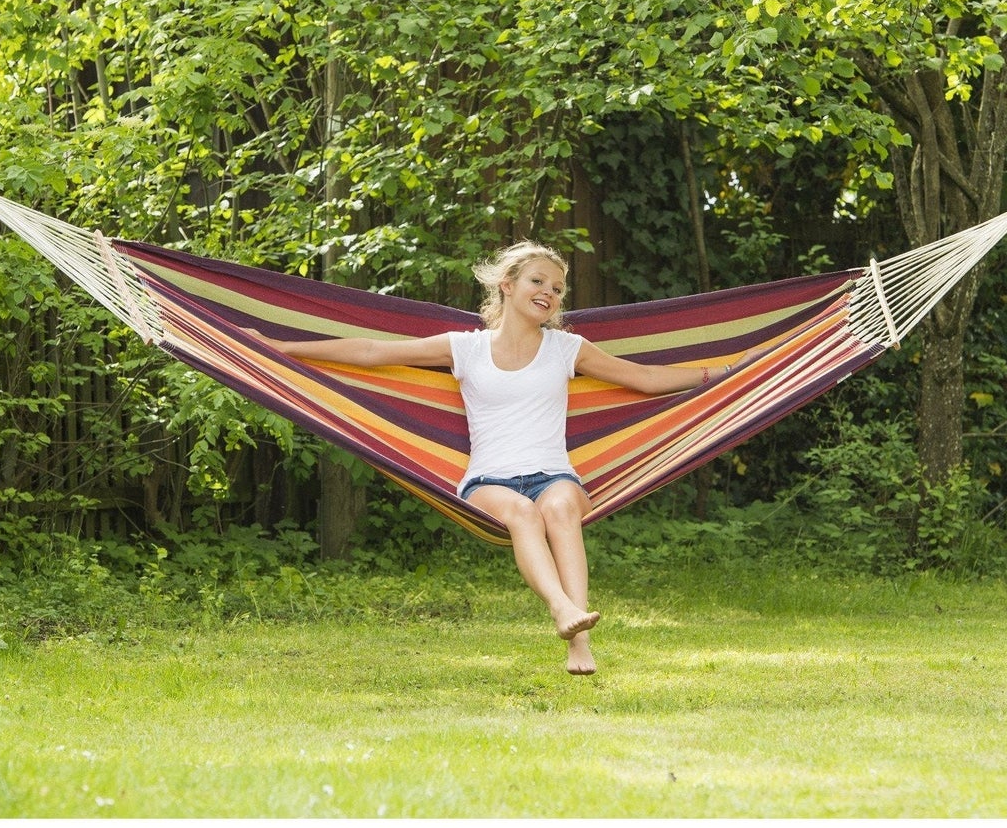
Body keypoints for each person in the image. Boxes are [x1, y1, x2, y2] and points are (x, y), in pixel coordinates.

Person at [247, 241, 729, 676]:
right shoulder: (466, 348)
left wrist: (720, 373)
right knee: (522, 513)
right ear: (507, 285)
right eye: (538, 281)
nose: (549, 293)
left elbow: (641, 379)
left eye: (557, 288)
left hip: (555, 474)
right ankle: (563, 610)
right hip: (488, 483)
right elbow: (374, 351)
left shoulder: (568, 348)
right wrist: (282, 347)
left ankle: (578, 641)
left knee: (559, 509)